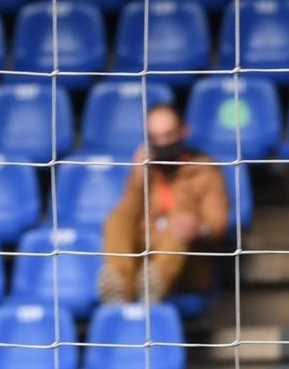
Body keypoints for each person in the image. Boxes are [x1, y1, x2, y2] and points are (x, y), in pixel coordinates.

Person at [97, 103, 230, 306]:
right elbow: (126, 216)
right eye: (155, 138)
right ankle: (119, 290)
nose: (162, 143)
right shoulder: (145, 170)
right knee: (116, 220)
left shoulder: (205, 171)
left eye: (168, 136)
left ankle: (154, 286)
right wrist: (138, 181)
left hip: (187, 265)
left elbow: (218, 225)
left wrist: (198, 228)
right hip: (143, 262)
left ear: (184, 132)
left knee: (180, 220)